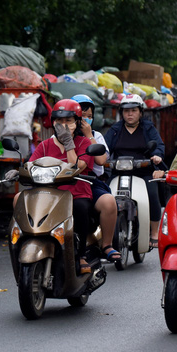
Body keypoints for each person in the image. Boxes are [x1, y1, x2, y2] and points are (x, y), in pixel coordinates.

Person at [19, 99, 96, 274]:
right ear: (53, 122)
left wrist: (69, 143)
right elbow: (31, 165)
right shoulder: (45, 145)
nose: (63, 125)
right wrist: (19, 172)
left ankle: (81, 254)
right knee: (20, 200)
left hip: (76, 194)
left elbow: (76, 166)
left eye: (68, 121)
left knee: (82, 208)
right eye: (59, 121)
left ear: (77, 122)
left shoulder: (84, 144)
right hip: (48, 194)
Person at [104, 93, 165, 249]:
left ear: (140, 112)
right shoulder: (115, 129)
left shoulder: (148, 128)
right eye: (126, 111)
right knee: (105, 197)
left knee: (152, 193)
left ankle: (154, 233)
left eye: (133, 110)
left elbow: (159, 145)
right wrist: (102, 158)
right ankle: (105, 237)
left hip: (143, 172)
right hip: (119, 172)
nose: (129, 114)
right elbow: (105, 149)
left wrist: (157, 155)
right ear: (121, 113)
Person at [70, 94, 121, 262]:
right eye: (82, 116)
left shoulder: (96, 136)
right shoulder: (64, 136)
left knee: (108, 202)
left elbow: (101, 160)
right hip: (66, 181)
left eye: (89, 117)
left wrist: (88, 135)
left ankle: (106, 244)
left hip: (91, 181)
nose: (86, 120)